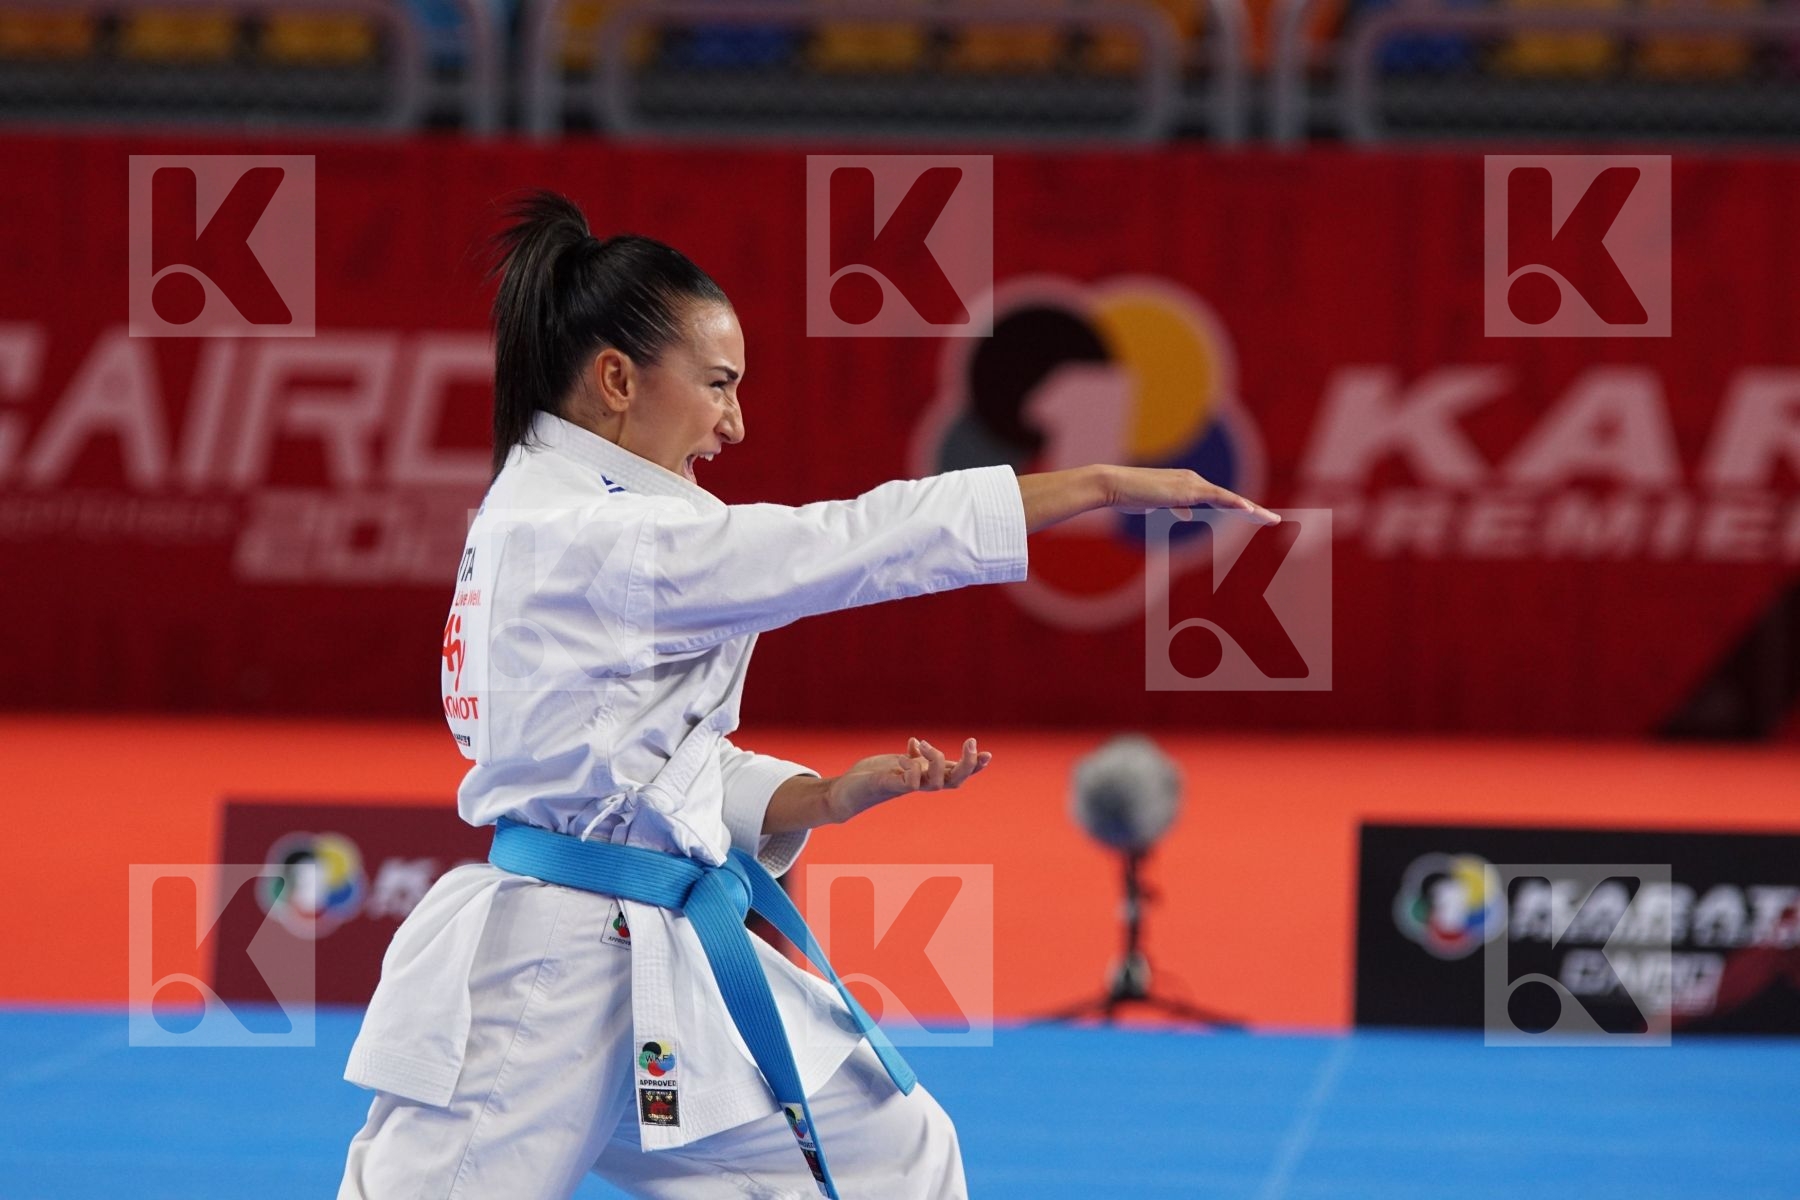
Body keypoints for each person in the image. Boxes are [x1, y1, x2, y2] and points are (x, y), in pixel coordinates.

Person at [337, 190, 1278, 1200]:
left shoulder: (570, 510)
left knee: (894, 1150)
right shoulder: (596, 538)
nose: (734, 423)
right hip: (544, 972)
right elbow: (854, 544)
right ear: (616, 379)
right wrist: (1087, 485)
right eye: (717, 385)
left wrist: (821, 799)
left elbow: (640, 761)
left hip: (653, 950)